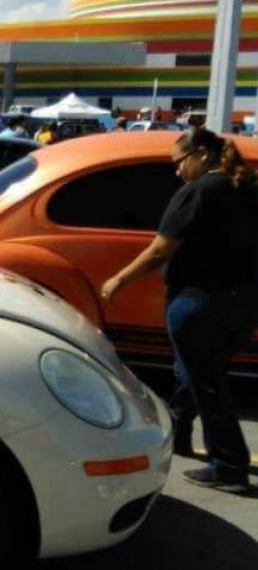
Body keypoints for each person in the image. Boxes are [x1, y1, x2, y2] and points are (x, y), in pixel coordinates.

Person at [101, 128, 257, 493]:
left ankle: (229, 466)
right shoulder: (246, 187)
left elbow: (159, 250)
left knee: (207, 383)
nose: (176, 171)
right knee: (199, 370)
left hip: (199, 302)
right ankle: (178, 428)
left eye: (179, 162)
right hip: (244, 302)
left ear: (201, 154)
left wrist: (118, 280)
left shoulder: (199, 190)